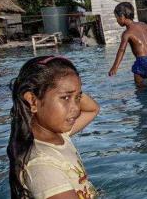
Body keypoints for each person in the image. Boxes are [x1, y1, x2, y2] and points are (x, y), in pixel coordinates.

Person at [7, 56, 100, 199]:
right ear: (33, 101)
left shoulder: (60, 135)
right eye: (65, 98)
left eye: (78, 98)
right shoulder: (42, 167)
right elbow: (92, 110)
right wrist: (71, 89)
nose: (76, 108)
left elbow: (92, 109)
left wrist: (72, 89)